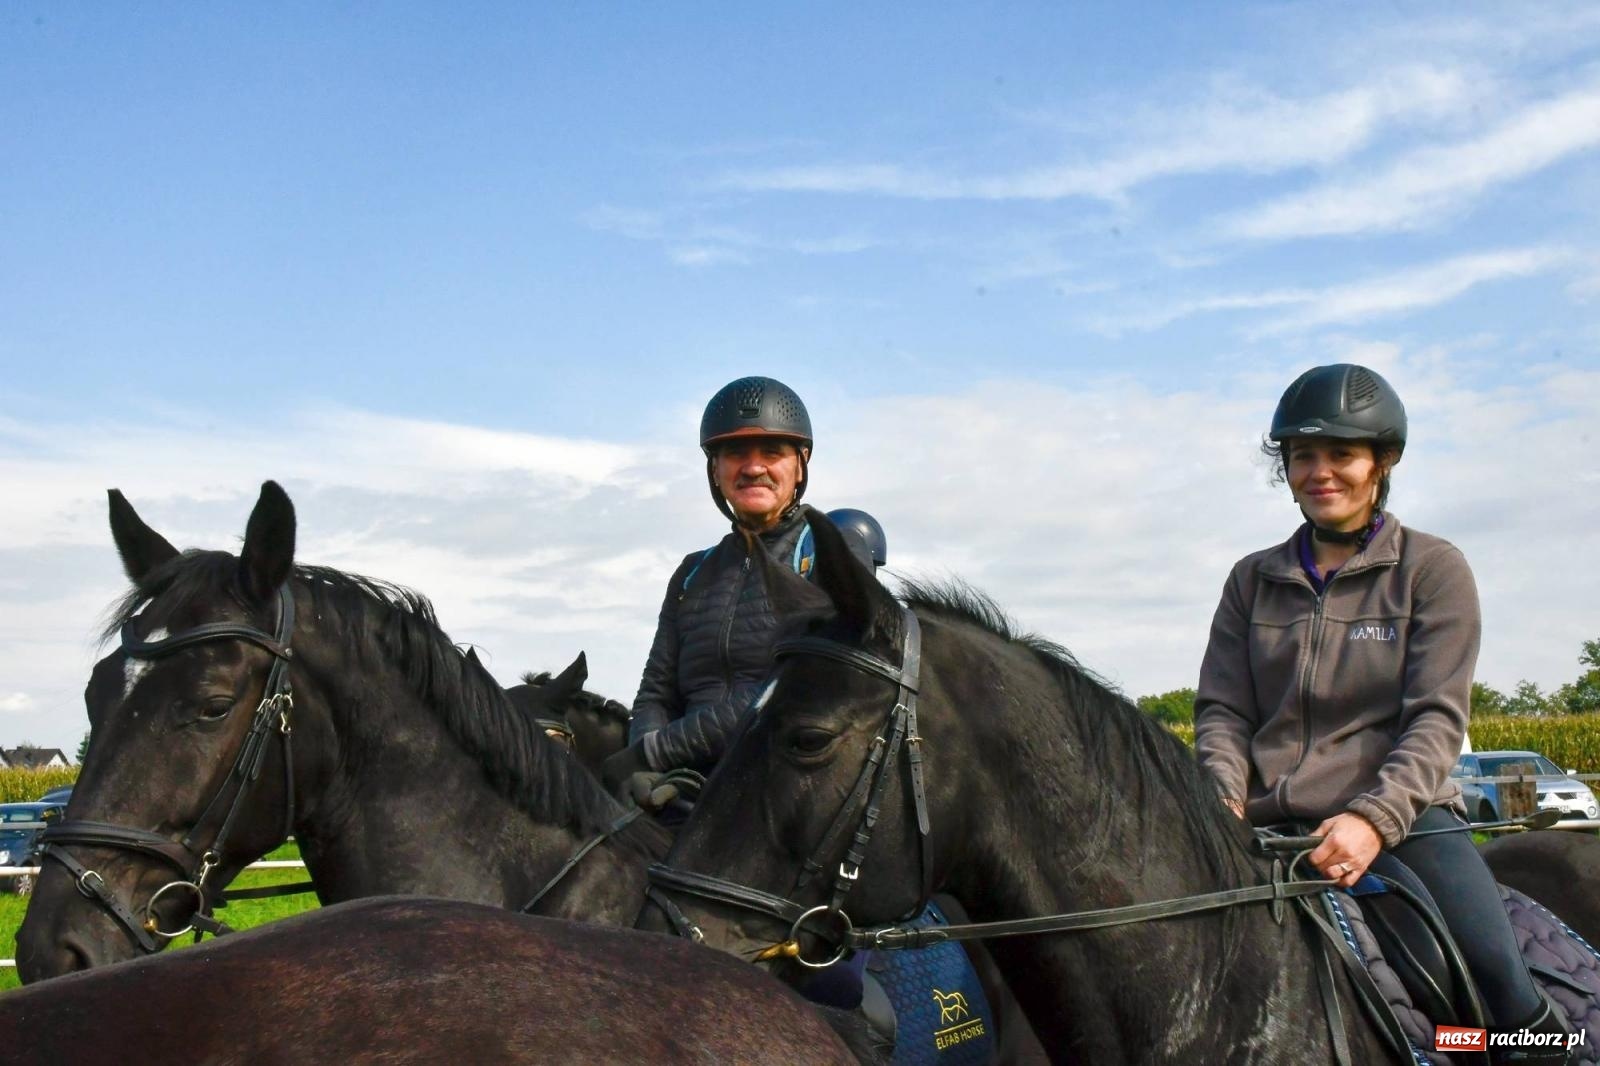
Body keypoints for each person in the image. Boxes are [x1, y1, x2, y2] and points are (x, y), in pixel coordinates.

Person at [1194, 363, 1573, 1064]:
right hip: (1267, 824)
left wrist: (1373, 819)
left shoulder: (1431, 568)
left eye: (1341, 453)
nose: (1319, 472)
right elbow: (1223, 709)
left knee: (1496, 978)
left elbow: (1436, 718)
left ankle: (1538, 1044)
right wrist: (1223, 797)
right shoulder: (1251, 579)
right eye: (1302, 456)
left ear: (1383, 461)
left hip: (1406, 820)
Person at [602, 376, 822, 801]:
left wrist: (655, 752)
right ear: (715, 470)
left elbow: (792, 687)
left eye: (772, 452)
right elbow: (656, 692)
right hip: (683, 783)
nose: (753, 468)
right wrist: (643, 771)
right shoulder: (693, 571)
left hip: (781, 789)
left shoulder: (827, 550)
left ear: (801, 463)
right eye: (735, 453)